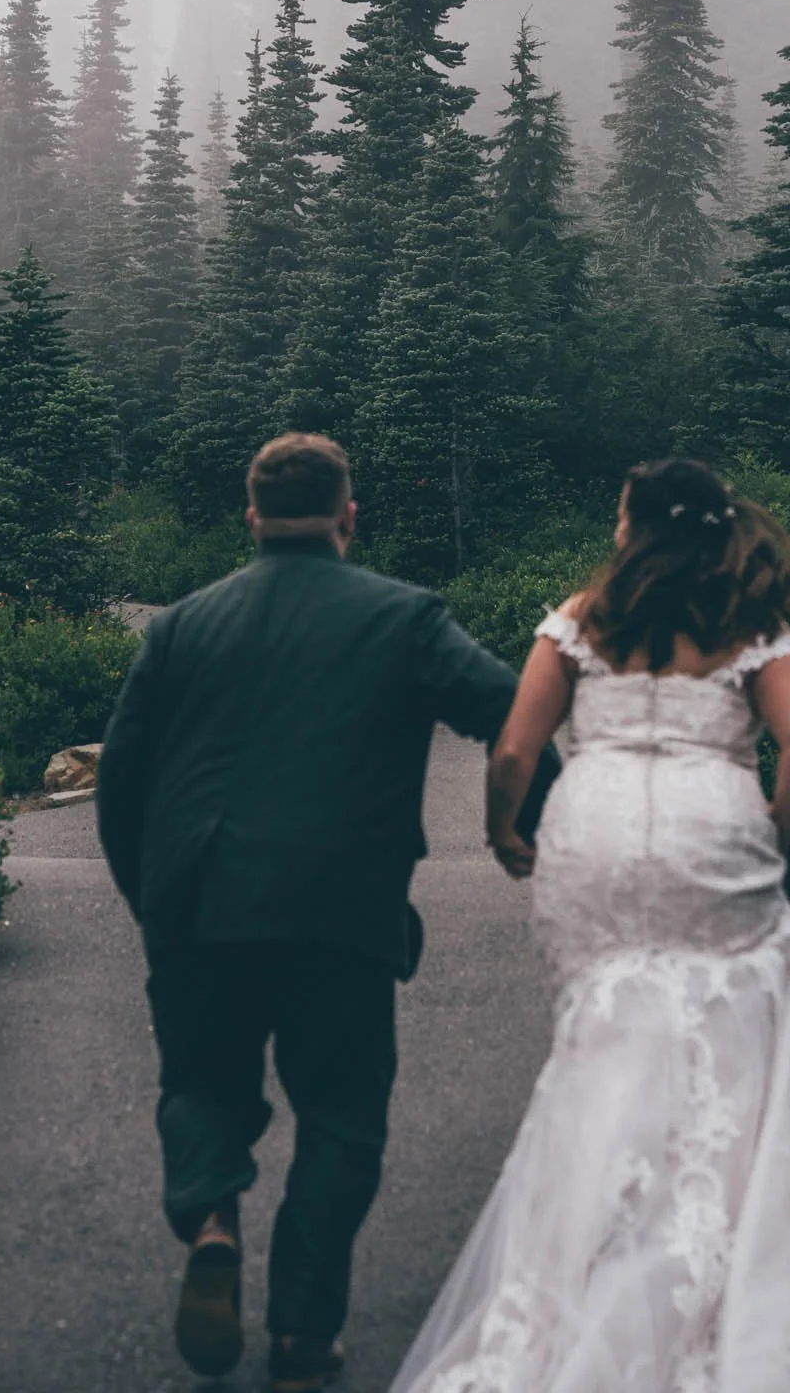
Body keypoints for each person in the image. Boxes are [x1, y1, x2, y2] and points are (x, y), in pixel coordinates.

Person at [389, 456, 790, 1393]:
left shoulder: (579, 618)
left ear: (633, 527)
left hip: (594, 830)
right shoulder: (751, 625)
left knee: (608, 1027)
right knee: (734, 1012)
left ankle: (602, 1229)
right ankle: (730, 1220)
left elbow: (516, 747)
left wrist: (503, 829)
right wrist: (777, 825)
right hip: (709, 826)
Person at [97, 433, 556, 1390]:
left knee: (199, 1082)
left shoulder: (180, 625)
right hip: (338, 910)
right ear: (350, 516)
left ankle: (213, 1217)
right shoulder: (404, 618)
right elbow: (513, 719)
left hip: (197, 900)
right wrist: (529, 828)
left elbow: (123, 780)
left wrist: (154, 901)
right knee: (341, 1119)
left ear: (251, 514)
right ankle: (304, 1333)